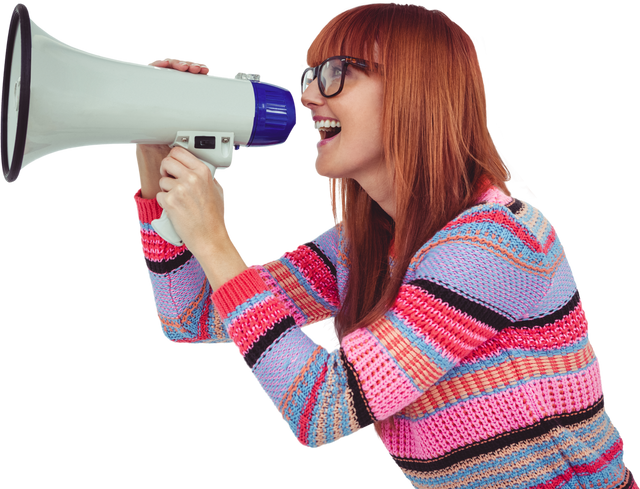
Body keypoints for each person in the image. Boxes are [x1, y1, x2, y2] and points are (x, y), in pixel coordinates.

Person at [131, 3, 638, 488]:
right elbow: (191, 318)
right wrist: (155, 170)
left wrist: (215, 241)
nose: (307, 97)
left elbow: (321, 410)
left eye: (335, 73)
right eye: (310, 75)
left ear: (414, 91)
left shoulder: (496, 243)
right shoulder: (363, 245)